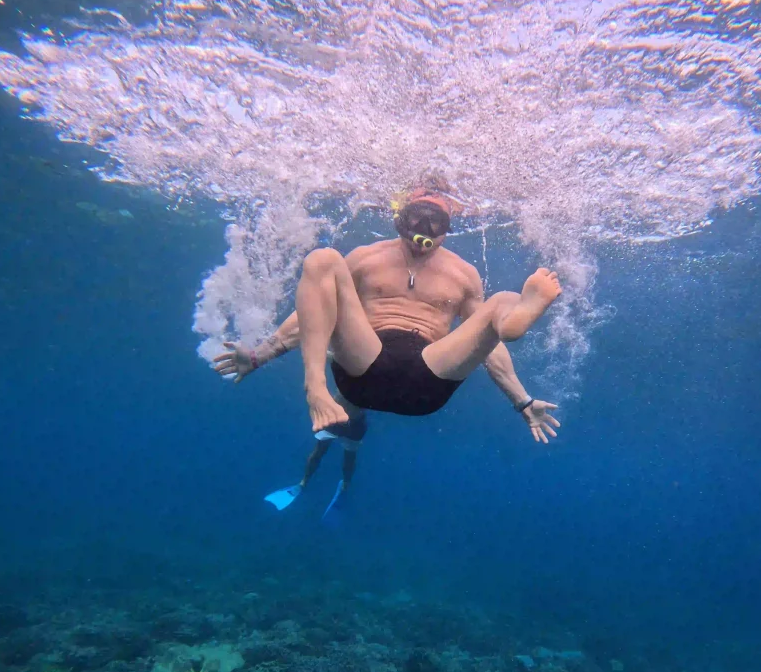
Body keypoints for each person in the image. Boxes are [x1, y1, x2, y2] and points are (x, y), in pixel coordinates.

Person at [213, 186, 562, 444]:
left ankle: (515, 316)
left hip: (429, 377)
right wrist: (260, 355)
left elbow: (484, 346)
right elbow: (316, 311)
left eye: (436, 220)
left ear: (448, 227)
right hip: (364, 366)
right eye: (417, 216)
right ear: (400, 218)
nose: (425, 228)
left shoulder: (464, 275)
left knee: (500, 305)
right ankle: (315, 387)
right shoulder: (366, 258)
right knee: (323, 261)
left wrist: (523, 400)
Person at [263, 412, 367, 516]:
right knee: (348, 455)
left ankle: (303, 483)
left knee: (320, 451)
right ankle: (344, 485)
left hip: (337, 417)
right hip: (353, 421)